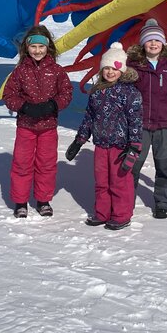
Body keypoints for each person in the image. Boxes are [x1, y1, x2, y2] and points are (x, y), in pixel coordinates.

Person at [65, 42, 142, 230]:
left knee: (119, 182)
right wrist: (79, 140)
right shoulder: (96, 92)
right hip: (100, 145)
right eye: (106, 68)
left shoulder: (130, 93)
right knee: (101, 182)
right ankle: (102, 213)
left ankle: (122, 215)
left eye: (114, 68)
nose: (109, 72)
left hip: (120, 147)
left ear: (122, 70)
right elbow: (89, 117)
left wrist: (134, 147)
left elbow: (136, 121)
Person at [126, 18, 167, 219]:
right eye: (149, 40)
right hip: (139, 126)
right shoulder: (133, 67)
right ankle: (125, 199)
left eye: (157, 40)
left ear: (163, 44)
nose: (153, 44)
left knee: (164, 165)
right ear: (143, 43)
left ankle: (164, 202)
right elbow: (123, 93)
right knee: (132, 164)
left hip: (164, 125)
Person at [3, 24, 73, 218]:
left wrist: (53, 105)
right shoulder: (19, 72)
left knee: (46, 164)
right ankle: (20, 201)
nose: (38, 51)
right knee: (22, 163)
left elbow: (67, 93)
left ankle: (43, 200)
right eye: (33, 47)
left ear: (48, 47)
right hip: (26, 126)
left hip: (48, 127)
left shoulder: (57, 71)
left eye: (41, 47)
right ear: (27, 48)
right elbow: (9, 95)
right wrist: (23, 106)